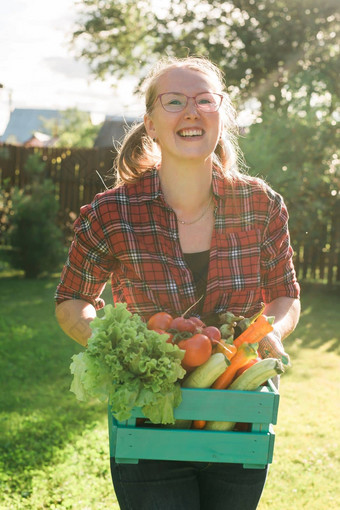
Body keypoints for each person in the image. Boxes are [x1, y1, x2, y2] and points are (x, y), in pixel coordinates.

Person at [55, 56, 300, 510]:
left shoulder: (261, 204)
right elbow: (73, 298)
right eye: (174, 101)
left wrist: (273, 334)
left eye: (204, 100)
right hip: (149, 420)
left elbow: (285, 292)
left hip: (237, 413)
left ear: (220, 116)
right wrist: (115, 347)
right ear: (150, 123)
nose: (191, 111)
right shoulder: (112, 213)